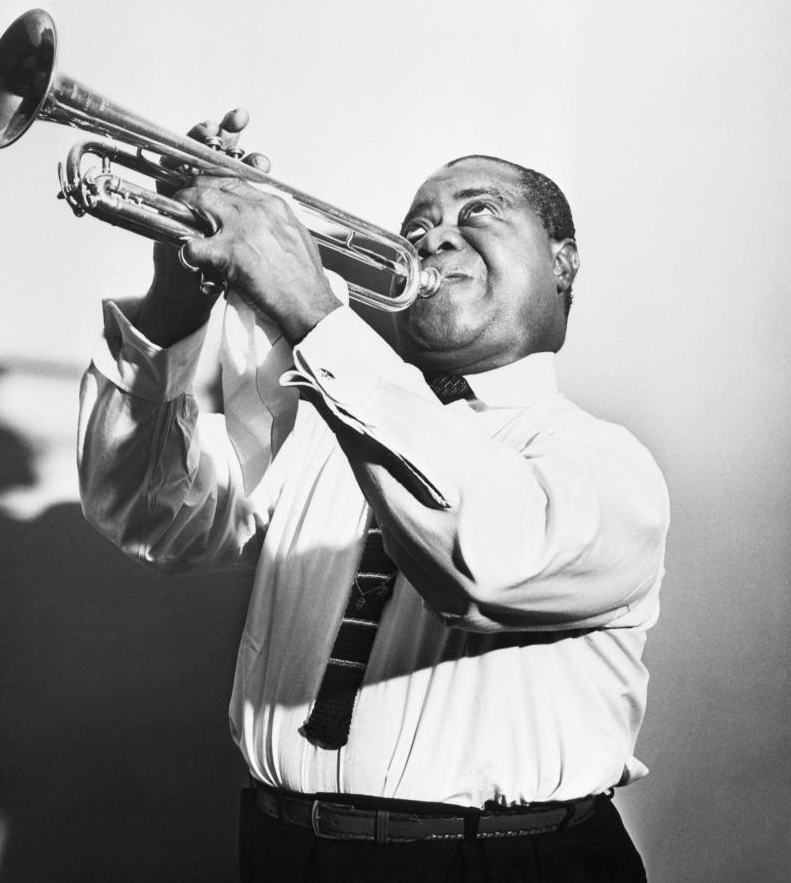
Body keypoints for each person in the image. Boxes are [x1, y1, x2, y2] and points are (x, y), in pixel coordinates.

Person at [77, 110, 668, 882]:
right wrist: (174, 306)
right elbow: (154, 519)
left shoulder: (604, 463)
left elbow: (484, 567)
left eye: (478, 211)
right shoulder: (318, 425)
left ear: (563, 262)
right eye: (416, 225)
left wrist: (313, 313)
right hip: (284, 854)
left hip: (509, 865)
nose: (434, 237)